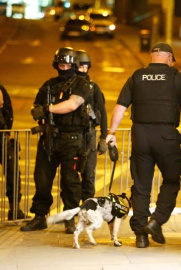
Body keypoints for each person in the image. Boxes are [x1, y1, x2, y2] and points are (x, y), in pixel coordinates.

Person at [106, 42, 181, 248]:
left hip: (141, 136)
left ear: (151, 57)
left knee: (141, 186)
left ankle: (140, 236)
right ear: (169, 58)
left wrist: (111, 133)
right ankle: (156, 221)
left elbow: (120, 107)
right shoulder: (177, 78)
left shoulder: (137, 76)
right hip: (166, 136)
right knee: (171, 181)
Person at [20, 47, 92, 233]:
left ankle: (69, 219)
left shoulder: (81, 84)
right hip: (49, 138)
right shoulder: (49, 85)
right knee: (42, 180)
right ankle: (39, 217)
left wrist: (48, 109)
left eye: (68, 64)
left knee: (70, 182)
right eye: (61, 64)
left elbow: (73, 104)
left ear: (74, 65)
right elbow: (36, 105)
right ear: (56, 64)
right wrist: (39, 112)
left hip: (72, 140)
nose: (64, 67)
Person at [75, 50, 107, 201]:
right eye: (80, 67)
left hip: (89, 135)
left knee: (89, 174)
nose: (83, 71)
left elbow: (103, 112)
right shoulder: (69, 87)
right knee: (71, 176)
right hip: (72, 135)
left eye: (86, 67)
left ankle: (87, 209)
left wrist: (103, 138)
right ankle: (72, 209)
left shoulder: (94, 88)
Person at [0, 83, 27, 220]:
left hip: (3, 139)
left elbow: (8, 112)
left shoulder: (1, 89)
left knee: (13, 175)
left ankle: (15, 209)